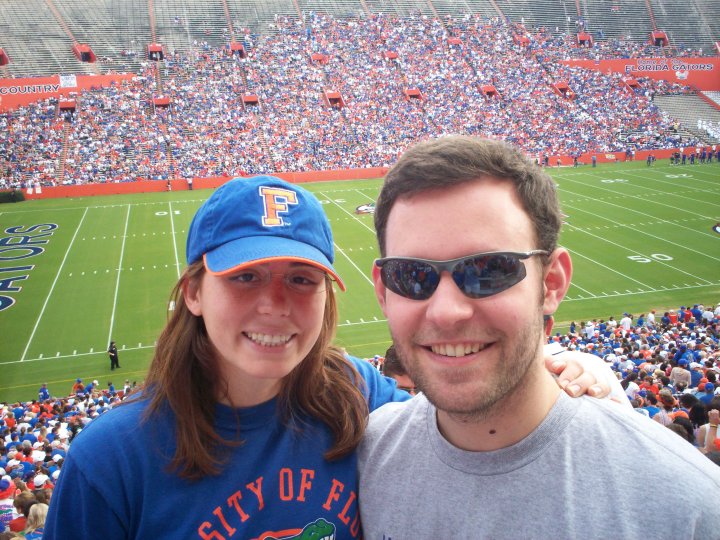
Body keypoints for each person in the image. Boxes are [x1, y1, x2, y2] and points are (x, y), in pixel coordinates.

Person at [44, 174, 613, 539]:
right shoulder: (111, 460)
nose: (274, 306)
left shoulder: (356, 392)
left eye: (300, 279)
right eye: (244, 277)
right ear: (193, 292)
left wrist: (568, 366)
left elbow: (468, 425)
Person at [358, 136, 720, 537]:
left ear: (552, 283)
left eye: (488, 269)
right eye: (411, 275)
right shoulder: (364, 459)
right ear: (383, 291)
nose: (446, 312)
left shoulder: (690, 507)